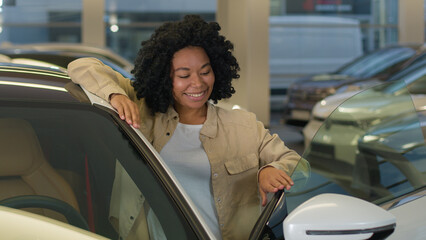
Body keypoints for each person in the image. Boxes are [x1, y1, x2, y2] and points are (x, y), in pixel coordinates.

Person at [67, 15, 301, 240]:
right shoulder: (143, 109)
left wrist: (270, 169)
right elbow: (81, 65)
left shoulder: (243, 126)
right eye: (183, 75)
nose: (197, 83)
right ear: (163, 76)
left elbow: (296, 163)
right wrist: (115, 94)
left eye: (205, 72)